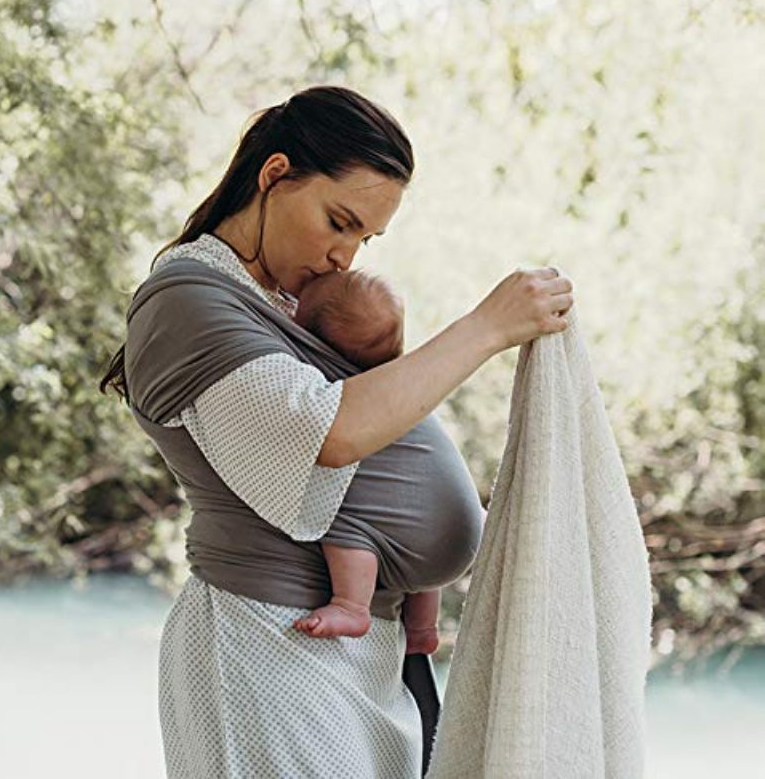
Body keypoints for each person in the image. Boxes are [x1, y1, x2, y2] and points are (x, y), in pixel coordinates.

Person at [99, 85, 574, 779]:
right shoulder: (188, 301)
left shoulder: (290, 304)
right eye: (338, 221)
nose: (346, 256)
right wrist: (488, 327)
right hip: (266, 643)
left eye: (365, 238)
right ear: (274, 176)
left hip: (359, 650)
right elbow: (328, 433)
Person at [290, 268, 441, 654]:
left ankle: (351, 606)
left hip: (412, 542)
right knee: (418, 517)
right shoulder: (409, 392)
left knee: (338, 509)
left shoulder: (341, 395)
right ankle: (423, 627)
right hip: (455, 528)